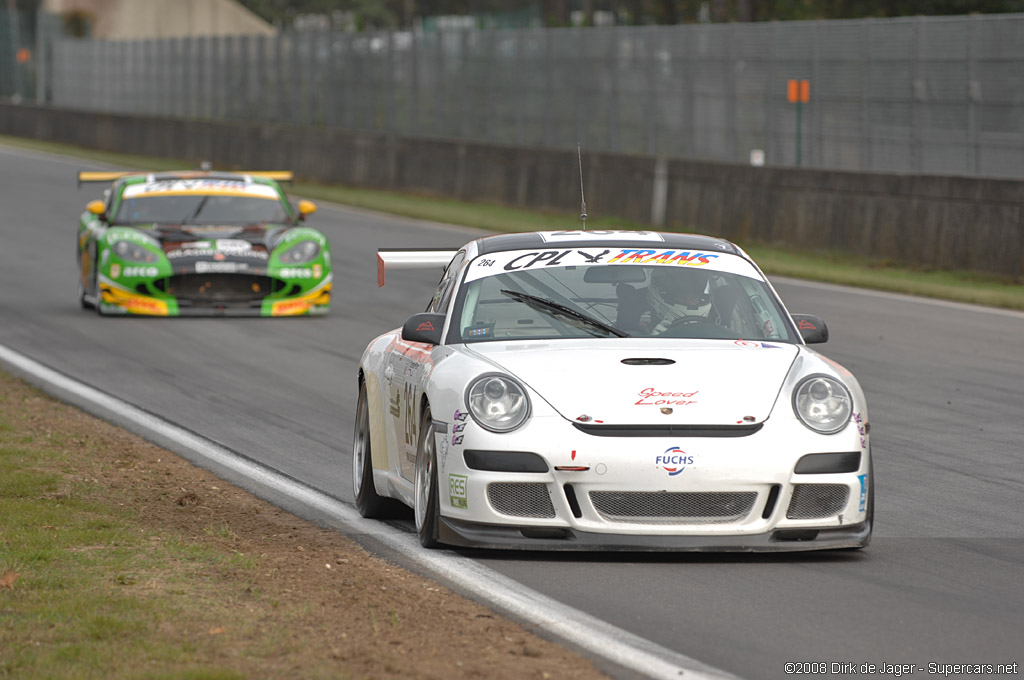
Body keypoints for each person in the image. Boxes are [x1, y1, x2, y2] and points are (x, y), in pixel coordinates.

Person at [646, 267, 715, 334]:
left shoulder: (716, 334)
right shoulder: (644, 336)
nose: (689, 303)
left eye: (694, 298)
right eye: (682, 298)